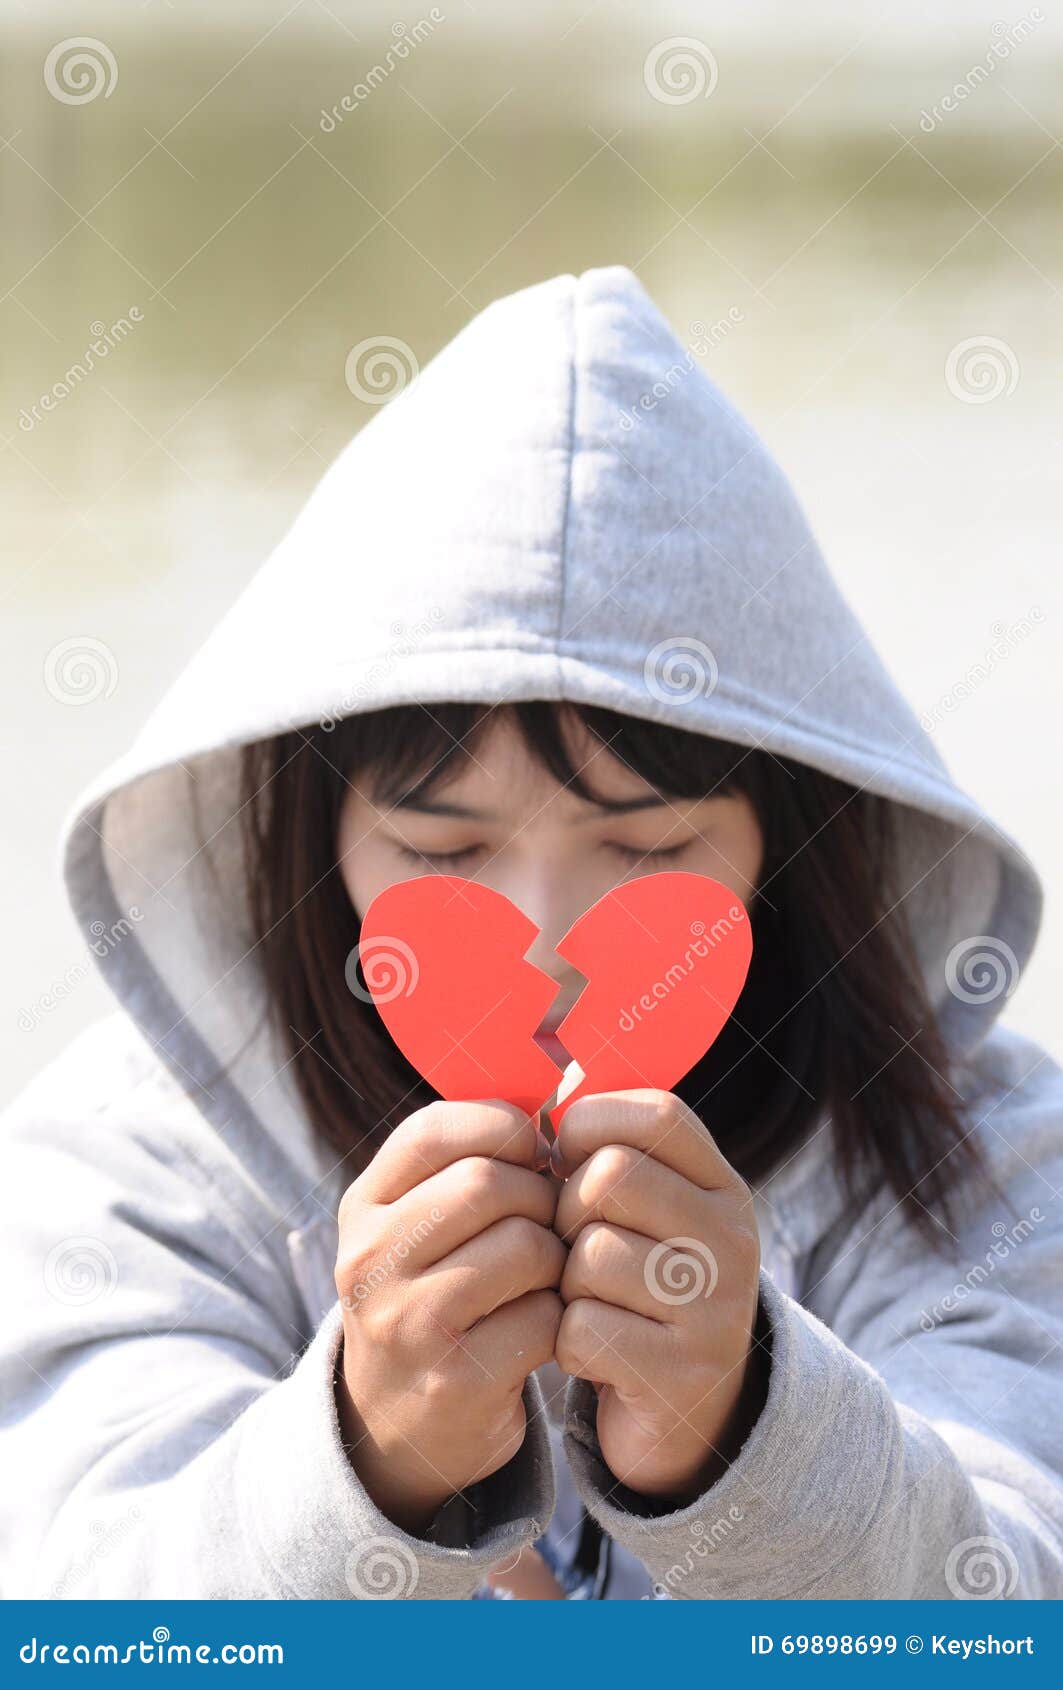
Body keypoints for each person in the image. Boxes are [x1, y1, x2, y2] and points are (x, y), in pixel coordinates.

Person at [3, 267, 1061, 1600]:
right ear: (309, 835)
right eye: (442, 849)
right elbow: (76, 1625)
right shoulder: (130, 1165)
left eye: (648, 844)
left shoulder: (989, 1159)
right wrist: (370, 1460)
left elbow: (1016, 1616)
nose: (548, 937)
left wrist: (745, 1434)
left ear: (793, 840)